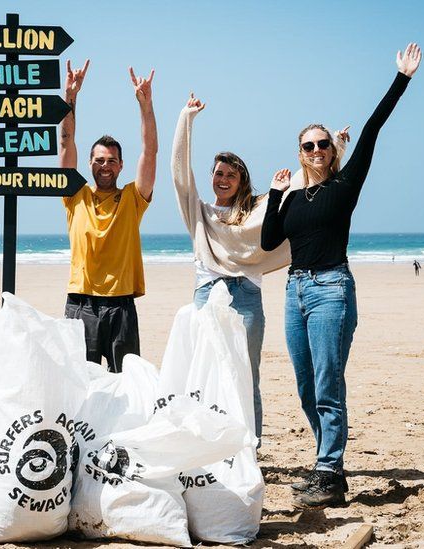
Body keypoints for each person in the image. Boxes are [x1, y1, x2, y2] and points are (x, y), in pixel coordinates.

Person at [262, 43, 422, 506]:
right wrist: (275, 193)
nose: (316, 150)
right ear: (300, 152)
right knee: (307, 385)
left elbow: (372, 129)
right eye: (308, 145)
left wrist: (401, 79)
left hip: (332, 289)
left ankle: (329, 472)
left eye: (323, 144)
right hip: (295, 292)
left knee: (329, 385)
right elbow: (271, 242)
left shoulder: (345, 186)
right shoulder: (291, 196)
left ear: (333, 150)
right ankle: (326, 467)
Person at [170, 92, 291, 443]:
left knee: (245, 375)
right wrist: (186, 119)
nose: (223, 179)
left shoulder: (256, 211)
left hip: (246, 298)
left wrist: (337, 150)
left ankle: (248, 449)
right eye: (218, 173)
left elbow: (298, 186)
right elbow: (179, 170)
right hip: (206, 296)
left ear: (242, 181)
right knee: (202, 373)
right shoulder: (199, 211)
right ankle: (204, 445)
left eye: (231, 175)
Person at [58, 60, 158, 373]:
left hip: (121, 305)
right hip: (81, 302)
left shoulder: (132, 198)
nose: (105, 165)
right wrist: (70, 98)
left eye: (112, 161)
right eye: (100, 160)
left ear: (121, 166)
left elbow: (150, 151)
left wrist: (145, 106)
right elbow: (65, 141)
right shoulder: (75, 195)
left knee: (125, 384)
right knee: (79, 385)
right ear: (89, 163)